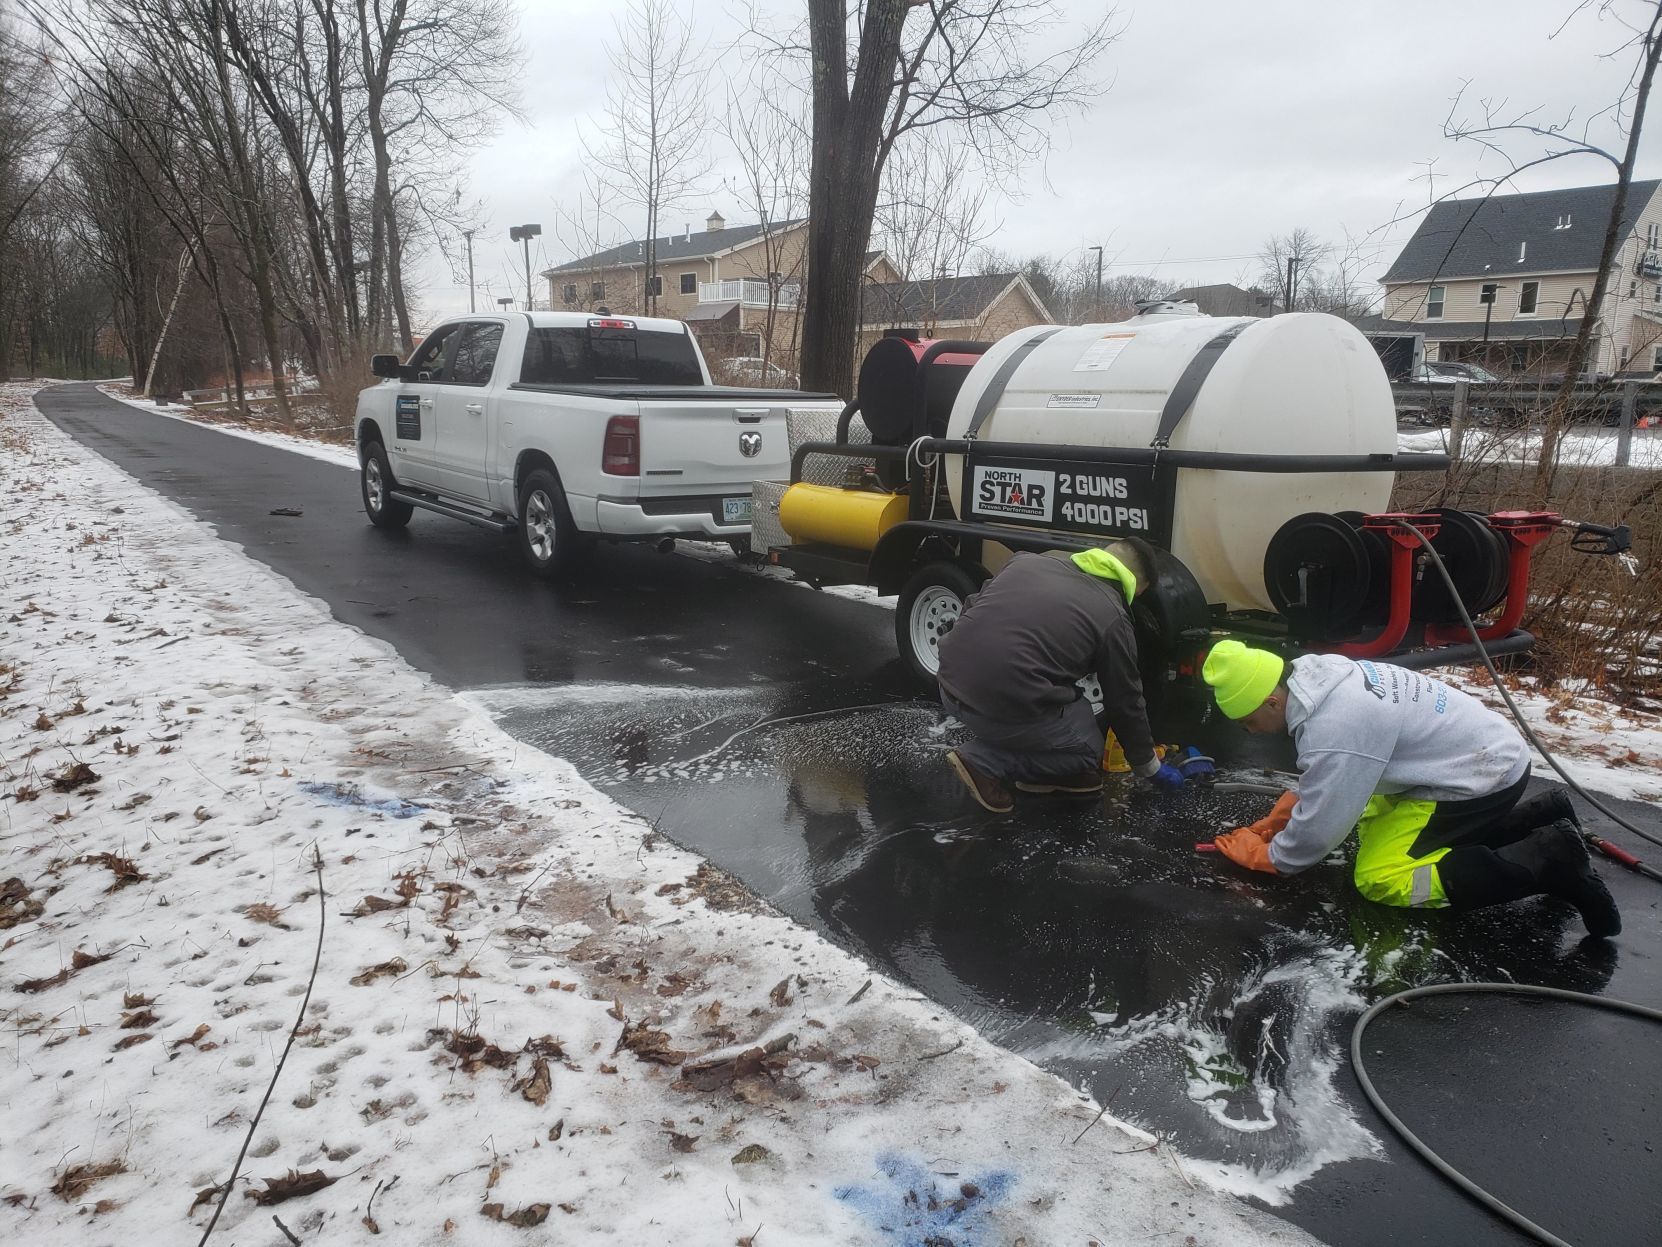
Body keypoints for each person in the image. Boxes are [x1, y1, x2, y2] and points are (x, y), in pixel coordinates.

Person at [1200, 640, 1620, 937]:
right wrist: (1289, 808)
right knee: (1370, 819)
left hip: (1475, 781)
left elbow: (1319, 830)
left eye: (1248, 722)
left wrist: (1270, 856)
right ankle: (1540, 815)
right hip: (1482, 757)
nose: (1251, 733)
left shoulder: (1334, 725)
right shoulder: (1320, 674)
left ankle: (1548, 859)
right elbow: (1338, 773)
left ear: (1273, 701)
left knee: (1380, 876)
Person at [936, 542, 1184, 814]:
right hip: (997, 706)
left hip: (949, 686)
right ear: (1139, 586)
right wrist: (1149, 766)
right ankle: (985, 762)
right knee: (1089, 748)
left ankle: (1046, 774)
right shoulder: (1113, 616)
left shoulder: (1026, 561)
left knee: (1072, 707)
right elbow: (1124, 700)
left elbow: (972, 606)